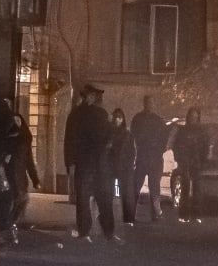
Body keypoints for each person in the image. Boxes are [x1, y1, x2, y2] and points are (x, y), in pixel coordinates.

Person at [63, 84, 116, 241]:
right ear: (89, 96)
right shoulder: (99, 114)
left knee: (86, 199)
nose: (98, 98)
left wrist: (70, 163)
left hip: (85, 163)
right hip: (97, 163)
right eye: (95, 95)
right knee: (101, 198)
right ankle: (106, 231)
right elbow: (109, 138)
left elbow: (69, 140)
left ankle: (87, 232)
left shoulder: (76, 114)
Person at [0, 108, 41, 242]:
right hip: (8, 177)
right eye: (14, 120)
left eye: (19, 120)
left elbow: (29, 162)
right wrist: (4, 158)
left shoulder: (24, 141)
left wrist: (35, 179)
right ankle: (7, 228)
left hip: (20, 178)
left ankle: (10, 225)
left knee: (21, 200)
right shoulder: (5, 140)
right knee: (9, 202)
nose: (17, 123)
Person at [129, 96, 173, 221]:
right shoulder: (143, 119)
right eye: (148, 103)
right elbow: (133, 135)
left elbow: (164, 138)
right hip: (146, 157)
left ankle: (153, 214)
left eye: (151, 103)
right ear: (145, 104)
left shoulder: (153, 120)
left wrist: (159, 149)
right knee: (139, 186)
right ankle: (136, 213)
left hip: (151, 157)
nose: (149, 105)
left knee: (153, 187)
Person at [171, 107, 211, 223]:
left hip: (197, 162)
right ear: (189, 117)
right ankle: (184, 214)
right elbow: (177, 146)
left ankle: (196, 214)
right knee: (185, 188)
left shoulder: (201, 131)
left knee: (197, 189)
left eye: (195, 117)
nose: (193, 119)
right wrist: (179, 159)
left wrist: (203, 160)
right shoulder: (183, 130)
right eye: (192, 116)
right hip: (185, 162)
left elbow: (205, 146)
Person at [108, 107, 139, 226]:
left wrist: (130, 165)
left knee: (127, 194)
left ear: (123, 119)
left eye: (120, 117)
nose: (117, 119)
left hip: (125, 168)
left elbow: (132, 152)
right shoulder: (109, 133)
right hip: (111, 166)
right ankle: (108, 218)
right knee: (109, 193)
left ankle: (128, 218)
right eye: (115, 117)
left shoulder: (127, 134)